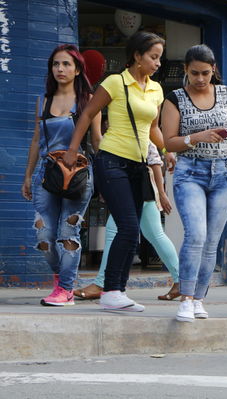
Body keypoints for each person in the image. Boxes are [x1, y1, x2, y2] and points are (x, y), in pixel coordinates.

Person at [64, 31, 170, 312]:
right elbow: (87, 114)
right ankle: (111, 289)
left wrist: (169, 149)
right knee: (129, 226)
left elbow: (154, 129)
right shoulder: (115, 82)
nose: (158, 63)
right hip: (112, 160)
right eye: (153, 57)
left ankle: (116, 291)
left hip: (139, 165)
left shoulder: (156, 90)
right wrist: (73, 149)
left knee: (130, 230)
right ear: (137, 56)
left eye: (160, 57)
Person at [161, 44, 227, 322]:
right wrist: (197, 136)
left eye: (205, 73)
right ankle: (186, 298)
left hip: (224, 173)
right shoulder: (174, 98)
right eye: (194, 73)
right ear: (186, 71)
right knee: (196, 235)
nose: (200, 79)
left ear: (213, 69)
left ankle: (200, 298)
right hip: (190, 173)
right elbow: (169, 141)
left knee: (212, 241)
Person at [21, 44, 101, 306]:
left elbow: (97, 141)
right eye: (56, 64)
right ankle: (61, 279)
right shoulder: (43, 101)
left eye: (66, 64)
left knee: (68, 233)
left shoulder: (88, 100)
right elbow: (35, 141)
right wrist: (27, 176)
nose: (60, 69)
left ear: (77, 69)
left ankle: (66, 290)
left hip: (78, 175)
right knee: (44, 236)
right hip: (46, 175)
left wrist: (108, 176)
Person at [74, 143, 179, 301]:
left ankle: (102, 283)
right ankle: (182, 280)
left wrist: (162, 194)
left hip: (140, 187)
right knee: (155, 235)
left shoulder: (139, 133)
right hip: (131, 188)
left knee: (117, 231)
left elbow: (155, 162)